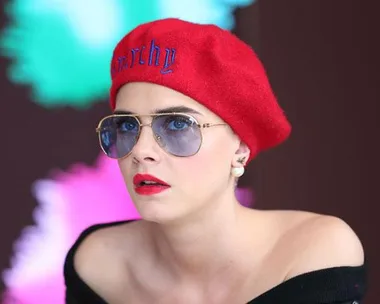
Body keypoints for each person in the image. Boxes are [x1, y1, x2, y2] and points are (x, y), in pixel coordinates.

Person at [64, 18, 367, 304]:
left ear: (240, 149)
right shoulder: (97, 265)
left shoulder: (313, 255)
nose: (141, 150)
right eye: (127, 126)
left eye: (177, 124)